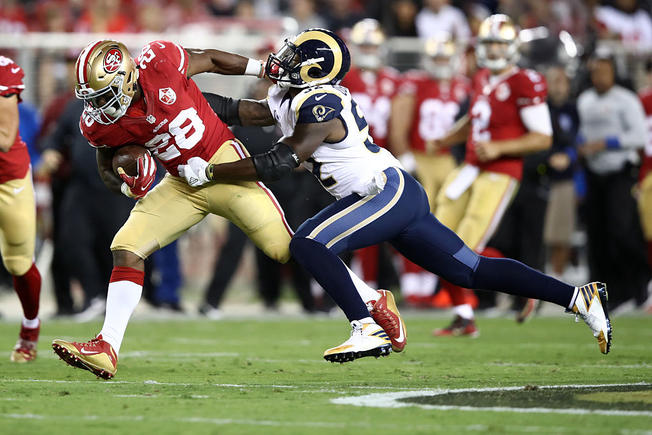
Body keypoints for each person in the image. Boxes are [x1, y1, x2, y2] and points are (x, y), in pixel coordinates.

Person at [180, 27, 612, 363]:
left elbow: (281, 160)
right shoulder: (291, 95)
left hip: (386, 191)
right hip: (389, 195)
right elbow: (238, 111)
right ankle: (577, 297)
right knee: (470, 271)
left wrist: (211, 171)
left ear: (314, 69)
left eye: (294, 56)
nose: (283, 59)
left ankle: (366, 323)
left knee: (309, 242)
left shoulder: (320, 102)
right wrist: (177, 98)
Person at [51, 39, 401, 379]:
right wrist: (128, 184)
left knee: (288, 248)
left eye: (104, 94)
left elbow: (212, 60)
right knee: (126, 248)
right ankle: (107, 346)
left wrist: (260, 67)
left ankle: (373, 300)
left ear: (127, 76)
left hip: (224, 166)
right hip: (181, 183)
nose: (98, 106)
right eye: (92, 98)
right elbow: (108, 170)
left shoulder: (160, 62)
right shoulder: (99, 122)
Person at [427, 15, 552, 336]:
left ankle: (529, 288)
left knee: (465, 247)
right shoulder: (482, 77)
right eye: (489, 43)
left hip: (500, 171)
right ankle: (463, 315)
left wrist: (498, 148)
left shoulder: (524, 81)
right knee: (433, 239)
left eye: (500, 43)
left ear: (512, 47)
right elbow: (474, 119)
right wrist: (447, 139)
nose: (494, 49)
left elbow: (542, 137)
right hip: (470, 168)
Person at [390, 35, 470, 307]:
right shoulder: (415, 83)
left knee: (446, 225)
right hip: (421, 157)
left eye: (445, 58)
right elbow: (399, 121)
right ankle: (413, 285)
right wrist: (405, 156)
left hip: (450, 161)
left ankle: (436, 286)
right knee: (413, 221)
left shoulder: (464, 86)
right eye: (437, 58)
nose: (441, 63)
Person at [577, 53, 649, 310]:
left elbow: (639, 136)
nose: (599, 77)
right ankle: (607, 294)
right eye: (595, 72)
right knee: (597, 235)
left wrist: (605, 143)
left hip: (620, 172)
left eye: (604, 72)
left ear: (614, 74)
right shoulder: (584, 100)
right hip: (595, 174)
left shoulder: (625, 100)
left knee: (623, 230)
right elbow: (582, 133)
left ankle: (639, 286)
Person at [341, 18, 402, 290]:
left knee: (387, 226)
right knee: (354, 226)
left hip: (386, 160)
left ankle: (387, 287)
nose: (368, 50)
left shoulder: (394, 80)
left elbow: (404, 123)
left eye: (372, 45)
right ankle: (359, 286)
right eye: (363, 45)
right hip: (352, 160)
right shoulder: (344, 79)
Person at [0, 55, 42, 362]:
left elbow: (5, 138)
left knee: (18, 261)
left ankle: (30, 327)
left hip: (7, 179)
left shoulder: (3, 71)